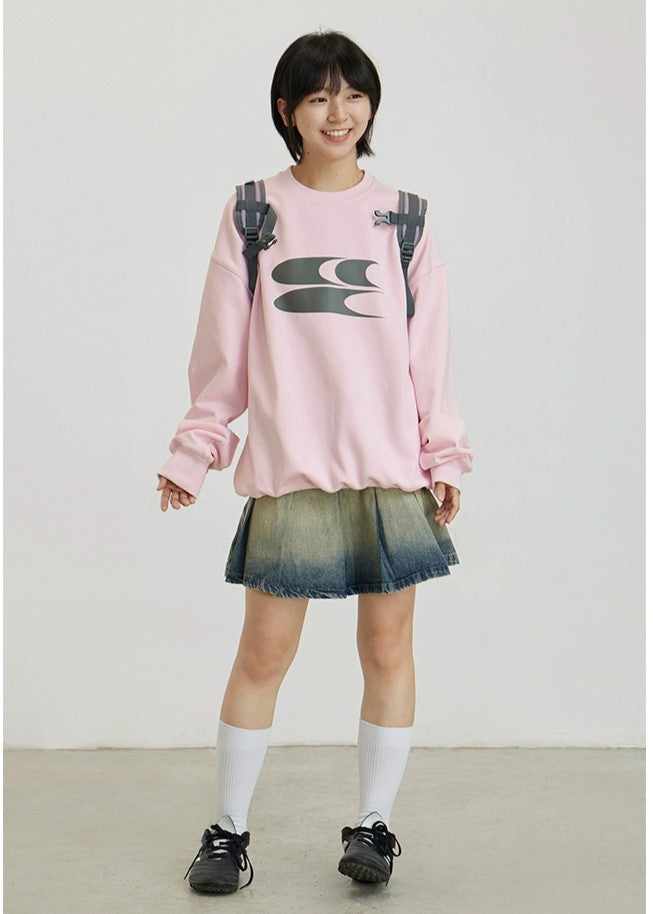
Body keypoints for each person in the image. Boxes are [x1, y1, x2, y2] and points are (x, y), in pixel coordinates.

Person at [156, 29, 474, 896]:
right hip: (291, 470)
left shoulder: (403, 216)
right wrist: (195, 449)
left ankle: (373, 826)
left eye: (353, 94)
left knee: (387, 647)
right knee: (263, 651)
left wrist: (443, 454)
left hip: (388, 473)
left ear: (370, 106)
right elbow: (222, 349)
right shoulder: (253, 212)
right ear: (287, 111)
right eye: (319, 96)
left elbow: (430, 354)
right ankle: (228, 833)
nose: (339, 112)